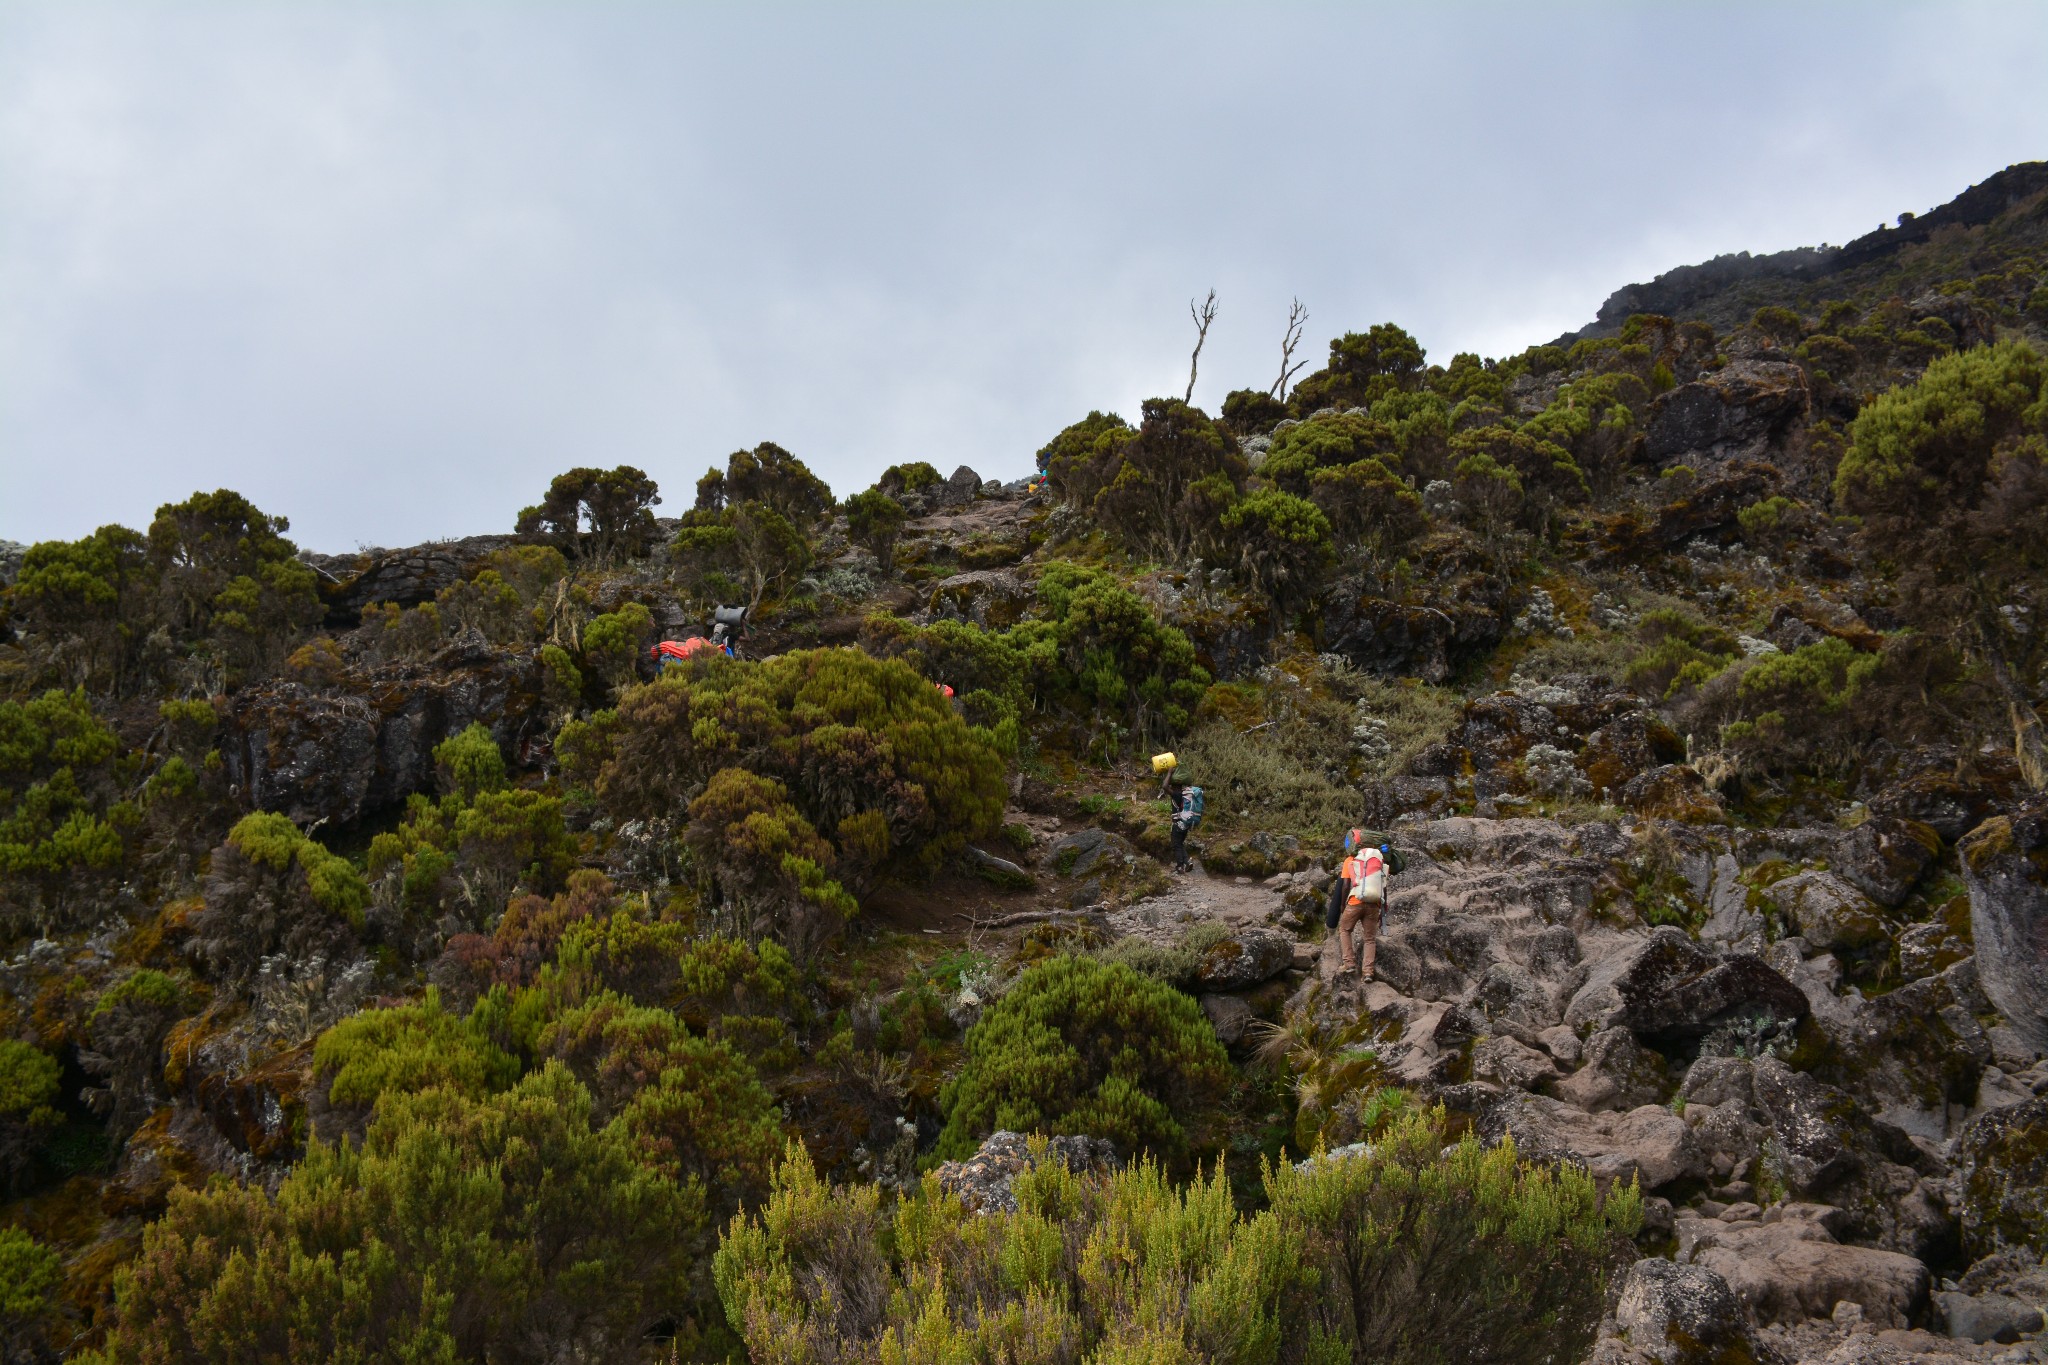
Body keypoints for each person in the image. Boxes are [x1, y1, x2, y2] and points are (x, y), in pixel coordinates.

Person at [1336, 827, 1390, 981]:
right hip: (1374, 903)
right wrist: (1383, 909)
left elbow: (1346, 885)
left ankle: (1349, 964)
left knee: (1345, 930)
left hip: (1355, 902)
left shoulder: (1351, 860)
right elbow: (1383, 886)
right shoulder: (1381, 860)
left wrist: (1342, 906)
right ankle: (1368, 972)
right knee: (1370, 939)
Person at [1163, 774, 1204, 874]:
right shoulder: (1185, 794)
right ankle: (1187, 862)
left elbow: (1164, 786)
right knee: (1180, 844)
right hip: (1186, 823)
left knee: (1176, 845)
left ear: (1174, 785)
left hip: (1178, 824)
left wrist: (1169, 771)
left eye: (1172, 785)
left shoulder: (1177, 794)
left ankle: (1180, 867)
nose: (1170, 787)